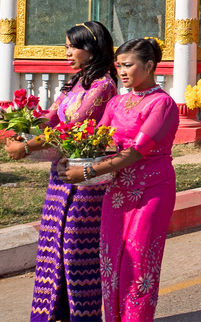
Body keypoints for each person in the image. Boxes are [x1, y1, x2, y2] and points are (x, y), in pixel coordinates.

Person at [62, 37, 177, 322]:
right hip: (117, 192)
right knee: (111, 264)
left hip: (152, 191)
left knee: (138, 266)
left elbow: (136, 152)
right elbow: (95, 141)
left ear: (149, 66)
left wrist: (88, 172)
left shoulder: (162, 104)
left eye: (128, 65)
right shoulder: (116, 103)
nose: (122, 72)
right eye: (119, 66)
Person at [15, 21, 117, 322]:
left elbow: (72, 128)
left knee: (76, 248)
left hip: (86, 177)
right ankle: (56, 312)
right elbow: (51, 117)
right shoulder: (75, 82)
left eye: (73, 46)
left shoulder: (103, 85)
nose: (67, 51)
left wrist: (28, 147)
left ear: (92, 48)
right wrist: (20, 128)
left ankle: (83, 316)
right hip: (59, 174)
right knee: (53, 243)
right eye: (67, 45)